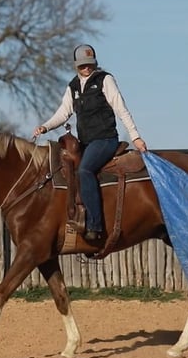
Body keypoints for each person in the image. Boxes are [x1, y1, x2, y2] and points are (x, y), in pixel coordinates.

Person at [33, 44, 148, 241]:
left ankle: (95, 225)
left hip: (105, 139)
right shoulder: (73, 87)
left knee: (85, 170)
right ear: (76, 66)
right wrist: (45, 127)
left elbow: (121, 109)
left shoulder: (105, 80)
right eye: (82, 65)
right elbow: (64, 112)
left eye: (90, 64)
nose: (87, 68)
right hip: (85, 142)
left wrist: (135, 136)